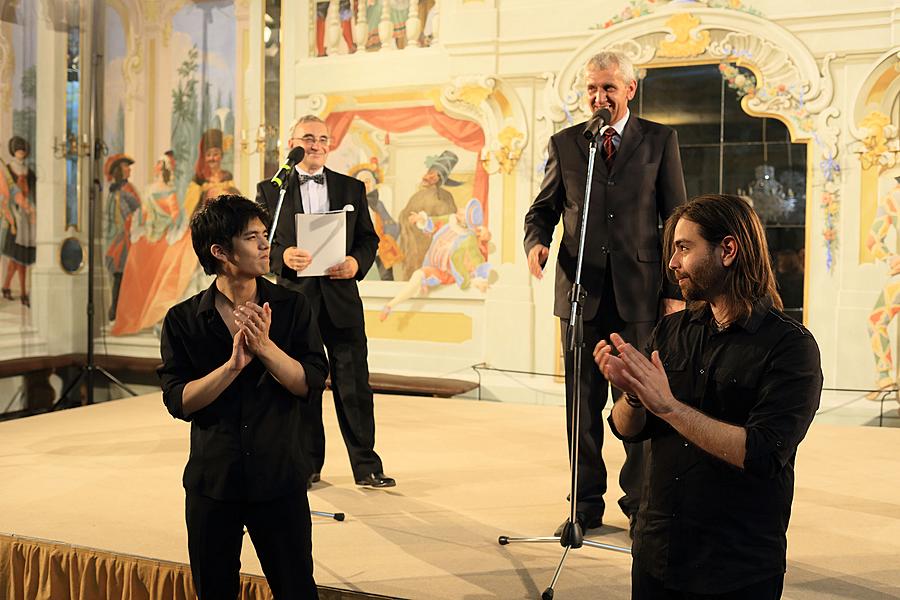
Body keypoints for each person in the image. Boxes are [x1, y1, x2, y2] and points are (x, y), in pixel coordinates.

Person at [595, 193, 822, 599]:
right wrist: (632, 394)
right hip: (657, 551)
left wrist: (668, 405)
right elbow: (628, 430)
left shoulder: (790, 347)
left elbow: (763, 453)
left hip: (735, 565)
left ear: (728, 250)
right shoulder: (670, 331)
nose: (672, 263)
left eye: (684, 248)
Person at [523, 50, 687, 535]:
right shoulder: (568, 143)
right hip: (580, 294)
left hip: (640, 298)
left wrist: (674, 290)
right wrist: (535, 243)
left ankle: (639, 503)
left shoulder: (660, 141)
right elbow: (543, 209)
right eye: (592, 88)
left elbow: (676, 219)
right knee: (581, 406)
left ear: (630, 89)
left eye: (609, 88)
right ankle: (584, 505)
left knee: (638, 400)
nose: (599, 97)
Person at [158, 194, 328, 599]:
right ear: (220, 251)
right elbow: (179, 401)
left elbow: (311, 383)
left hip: (280, 478)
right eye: (252, 237)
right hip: (213, 483)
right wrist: (232, 366)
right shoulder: (183, 319)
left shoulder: (291, 306)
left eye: (264, 234)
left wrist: (266, 349)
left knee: (296, 590)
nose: (266, 244)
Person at [256, 114, 395, 489]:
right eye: (308, 138)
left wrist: (355, 262)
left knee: (354, 384)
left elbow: (369, 240)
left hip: (341, 299)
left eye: (322, 139)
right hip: (295, 301)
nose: (315, 145)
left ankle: (367, 466)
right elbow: (261, 243)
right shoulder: (272, 191)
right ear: (292, 142)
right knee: (303, 383)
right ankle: (306, 465)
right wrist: (281, 258)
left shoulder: (351, 188)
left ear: (329, 144)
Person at [380, 197, 492, 320]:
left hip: (448, 273)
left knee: (421, 276)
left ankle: (423, 285)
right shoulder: (450, 221)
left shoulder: (468, 238)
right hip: (433, 265)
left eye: (463, 212)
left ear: (466, 221)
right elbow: (434, 222)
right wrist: (421, 219)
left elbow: (476, 258)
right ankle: (390, 305)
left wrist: (480, 279)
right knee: (418, 275)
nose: (459, 210)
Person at [395, 150, 462, 280]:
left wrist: (426, 222)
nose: (427, 177)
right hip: (415, 242)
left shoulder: (445, 197)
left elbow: (450, 220)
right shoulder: (418, 196)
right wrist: (409, 220)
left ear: (440, 178)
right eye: (429, 172)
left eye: (433, 174)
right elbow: (405, 216)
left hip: (436, 243)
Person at [349, 158, 402, 280]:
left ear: (373, 184)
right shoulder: (351, 205)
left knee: (385, 274)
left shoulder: (378, 205)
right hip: (359, 249)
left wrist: (387, 238)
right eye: (360, 182)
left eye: (367, 181)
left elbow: (390, 224)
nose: (364, 185)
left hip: (379, 247)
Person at [103, 153, 141, 322]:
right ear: (119, 170)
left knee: (125, 274)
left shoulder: (127, 189)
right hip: (116, 238)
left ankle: (120, 311)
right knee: (118, 274)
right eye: (126, 167)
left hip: (126, 237)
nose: (129, 170)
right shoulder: (115, 190)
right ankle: (116, 310)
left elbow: (137, 211)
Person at [0, 136, 36, 307]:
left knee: (18, 259)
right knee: (18, 258)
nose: (21, 152)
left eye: (23, 150)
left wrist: (32, 209)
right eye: (18, 149)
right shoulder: (7, 170)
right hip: (11, 218)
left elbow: (33, 194)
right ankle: (22, 293)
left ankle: (6, 287)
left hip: (27, 216)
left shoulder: (30, 172)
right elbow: (7, 194)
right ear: (13, 151)